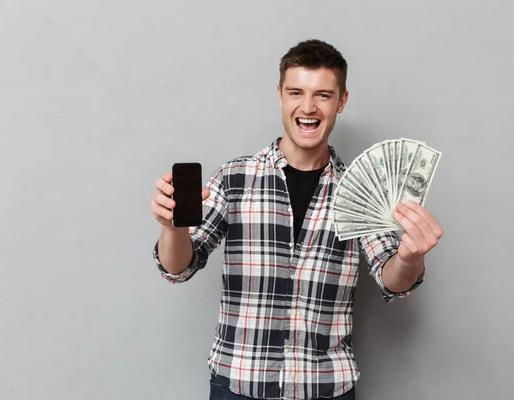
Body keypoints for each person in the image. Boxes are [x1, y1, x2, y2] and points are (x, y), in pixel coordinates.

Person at [150, 39, 443, 400]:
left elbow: (393, 281)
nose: (308, 107)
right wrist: (173, 227)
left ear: (342, 101)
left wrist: (410, 256)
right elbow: (178, 267)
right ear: (280, 95)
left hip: (325, 388)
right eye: (296, 92)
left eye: (323, 94)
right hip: (238, 385)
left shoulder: (361, 190)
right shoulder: (234, 177)